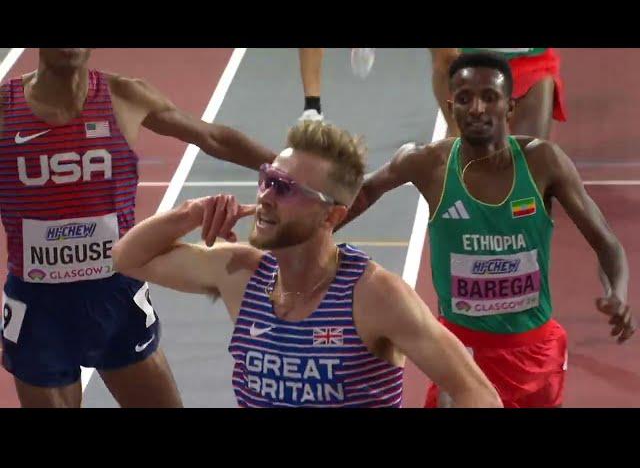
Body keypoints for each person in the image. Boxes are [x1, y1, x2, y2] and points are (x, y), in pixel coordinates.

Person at [112, 120, 502, 408]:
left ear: (331, 216)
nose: (264, 196)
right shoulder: (242, 275)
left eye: (284, 189)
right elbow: (128, 258)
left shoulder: (374, 295)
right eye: (267, 179)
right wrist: (192, 212)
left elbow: (478, 394)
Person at [337, 52, 634, 408]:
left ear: (510, 107)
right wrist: (311, 229)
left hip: (533, 354)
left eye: (489, 97)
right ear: (451, 106)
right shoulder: (427, 163)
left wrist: (617, 291)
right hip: (459, 351)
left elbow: (608, 244)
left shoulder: (543, 162)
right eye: (464, 98)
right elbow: (364, 192)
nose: (476, 108)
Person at [0, 48, 276, 408]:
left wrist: (288, 172)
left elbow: (213, 137)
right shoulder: (6, 109)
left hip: (116, 295)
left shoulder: (123, 96)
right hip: (38, 309)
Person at [429, 48, 567, 138]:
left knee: (528, 162)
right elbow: (444, 61)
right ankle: (458, 140)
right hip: (465, 58)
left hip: (528, 64)